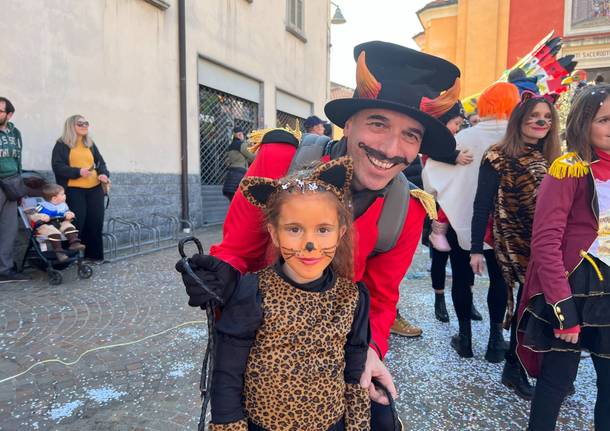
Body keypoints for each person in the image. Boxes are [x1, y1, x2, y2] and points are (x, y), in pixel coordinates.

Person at [177, 41, 461, 425]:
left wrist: (372, 349)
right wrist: (220, 275)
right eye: (378, 124)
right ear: (350, 123)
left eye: (410, 135)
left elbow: (380, 298)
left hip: (337, 355)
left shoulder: (407, 210)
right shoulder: (279, 161)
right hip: (262, 346)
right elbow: (238, 251)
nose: (392, 148)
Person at [209, 157, 372, 431]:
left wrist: (358, 425)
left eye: (323, 230)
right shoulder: (253, 292)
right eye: (294, 229)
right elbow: (227, 374)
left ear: (340, 233)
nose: (309, 245)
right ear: (274, 234)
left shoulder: (352, 297)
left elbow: (355, 370)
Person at [516, 84, 610, 430]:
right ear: (583, 123)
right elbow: (545, 241)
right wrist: (562, 306)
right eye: (604, 119)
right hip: (572, 287)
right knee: (556, 382)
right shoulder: (568, 169)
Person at [470, 91, 561, 398]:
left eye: (547, 118)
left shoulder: (554, 159)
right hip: (510, 242)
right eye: (535, 115)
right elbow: (481, 204)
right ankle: (514, 365)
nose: (541, 122)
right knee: (522, 304)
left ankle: (529, 364)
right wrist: (473, 249)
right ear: (520, 118)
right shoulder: (496, 155)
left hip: (548, 245)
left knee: (540, 307)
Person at [423, 82, 520, 360]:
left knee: (462, 280)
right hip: (504, 226)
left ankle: (464, 340)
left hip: (461, 221)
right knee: (501, 283)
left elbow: (430, 178)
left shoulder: (463, 138)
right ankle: (494, 341)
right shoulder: (518, 138)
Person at [421, 101, 479, 323]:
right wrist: (454, 157)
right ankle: (439, 300)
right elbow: (431, 156)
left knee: (464, 257)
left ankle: (468, 300)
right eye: (456, 123)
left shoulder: (459, 140)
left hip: (459, 205)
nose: (457, 127)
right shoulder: (434, 141)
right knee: (440, 257)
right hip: (438, 207)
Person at [51, 115, 109, 262]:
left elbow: (101, 163)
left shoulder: (89, 143)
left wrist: (103, 174)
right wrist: (77, 172)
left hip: (95, 188)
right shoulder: (62, 144)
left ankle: (94, 257)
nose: (84, 126)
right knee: (77, 222)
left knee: (95, 221)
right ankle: (70, 258)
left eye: (86, 123)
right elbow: (57, 166)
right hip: (74, 190)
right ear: (71, 126)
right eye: (80, 123)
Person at [0, 97, 29, 283]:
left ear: (9, 114)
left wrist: (20, 186)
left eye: (0, 111)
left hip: (11, 184)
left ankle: (5, 269)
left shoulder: (15, 133)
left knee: (9, 228)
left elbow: (18, 159)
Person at [29, 184, 85, 262]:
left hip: (60, 223)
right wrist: (41, 216)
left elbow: (67, 212)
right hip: (45, 226)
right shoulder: (42, 206)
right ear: (54, 198)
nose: (65, 195)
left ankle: (74, 243)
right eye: (62, 194)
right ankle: (59, 252)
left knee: (68, 225)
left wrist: (69, 214)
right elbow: (33, 215)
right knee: (52, 231)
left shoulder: (63, 205)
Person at [222, 126, 255, 201]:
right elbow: (252, 157)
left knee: (232, 202)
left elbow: (226, 161)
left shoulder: (230, 146)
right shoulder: (241, 145)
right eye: (242, 134)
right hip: (239, 175)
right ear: (239, 135)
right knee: (240, 201)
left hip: (230, 175)